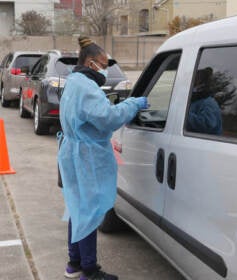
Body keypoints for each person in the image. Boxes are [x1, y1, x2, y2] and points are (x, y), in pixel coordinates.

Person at [58, 36, 148, 280]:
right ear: (90, 63)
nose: (105, 70)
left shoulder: (74, 81)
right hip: (86, 156)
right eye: (103, 64)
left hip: (73, 152)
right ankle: (89, 270)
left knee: (78, 209)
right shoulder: (86, 87)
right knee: (89, 212)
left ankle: (74, 263)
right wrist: (132, 104)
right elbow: (108, 118)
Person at [187, 67, 222, 135]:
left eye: (194, 82)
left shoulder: (208, 102)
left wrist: (183, 115)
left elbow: (208, 125)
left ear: (201, 85)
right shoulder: (196, 100)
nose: (191, 85)